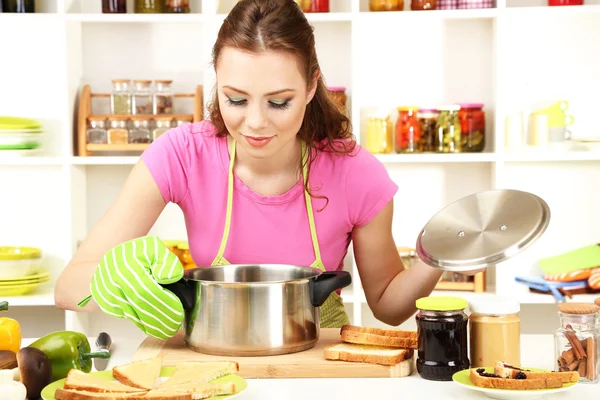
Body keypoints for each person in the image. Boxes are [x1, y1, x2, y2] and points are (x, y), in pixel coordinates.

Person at [55, 0, 452, 337]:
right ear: (218, 83)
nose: (257, 123)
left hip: (320, 364)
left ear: (312, 87)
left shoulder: (355, 172)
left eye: (279, 102)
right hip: (215, 361)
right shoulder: (181, 155)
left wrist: (443, 253)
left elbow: (388, 305)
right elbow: (68, 287)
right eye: (236, 99)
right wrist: (115, 280)